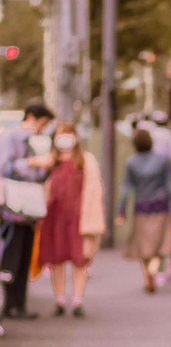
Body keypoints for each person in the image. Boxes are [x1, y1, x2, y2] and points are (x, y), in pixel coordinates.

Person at [37, 123, 105, 317]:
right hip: (54, 217)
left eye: (67, 134)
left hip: (78, 217)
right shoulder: (51, 161)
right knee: (56, 259)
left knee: (80, 259)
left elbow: (95, 189)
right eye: (60, 135)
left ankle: (77, 300)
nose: (64, 139)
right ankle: (59, 299)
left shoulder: (85, 160)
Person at [0, 102, 55, 319]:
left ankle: (19, 304)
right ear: (32, 117)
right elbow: (5, 168)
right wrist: (32, 162)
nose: (43, 128)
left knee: (24, 260)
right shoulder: (11, 137)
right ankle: (10, 305)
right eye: (43, 123)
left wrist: (46, 167)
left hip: (28, 211)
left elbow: (37, 176)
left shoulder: (34, 141)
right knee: (11, 260)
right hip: (13, 212)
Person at [115, 129, 171, 293]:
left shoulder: (131, 162)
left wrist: (121, 211)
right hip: (161, 205)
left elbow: (125, 188)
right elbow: (168, 185)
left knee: (143, 244)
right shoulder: (162, 160)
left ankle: (146, 276)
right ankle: (153, 268)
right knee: (161, 242)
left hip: (141, 206)